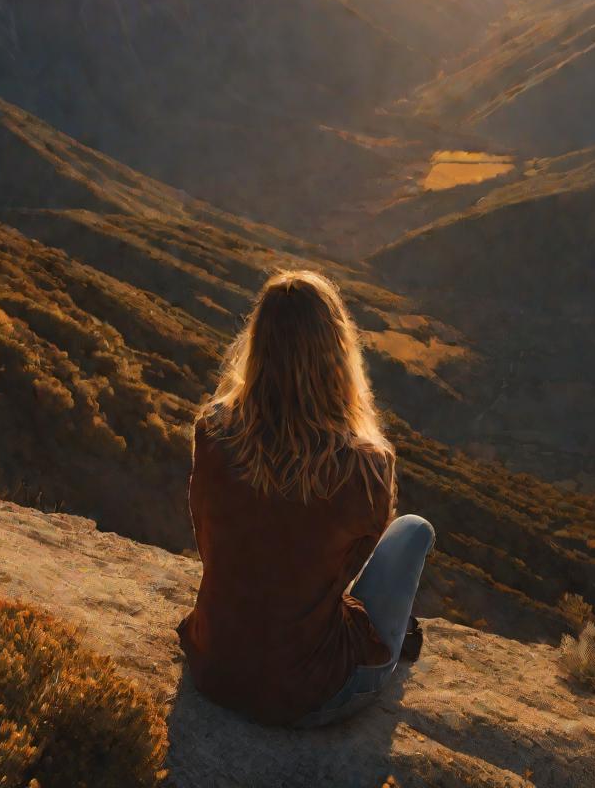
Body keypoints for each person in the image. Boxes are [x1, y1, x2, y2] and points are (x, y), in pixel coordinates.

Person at [177, 269, 435, 727]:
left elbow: (207, 534)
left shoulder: (213, 431)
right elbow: (351, 567)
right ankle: (395, 648)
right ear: (338, 351)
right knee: (414, 530)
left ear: (257, 344)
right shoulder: (366, 464)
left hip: (212, 668)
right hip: (310, 694)